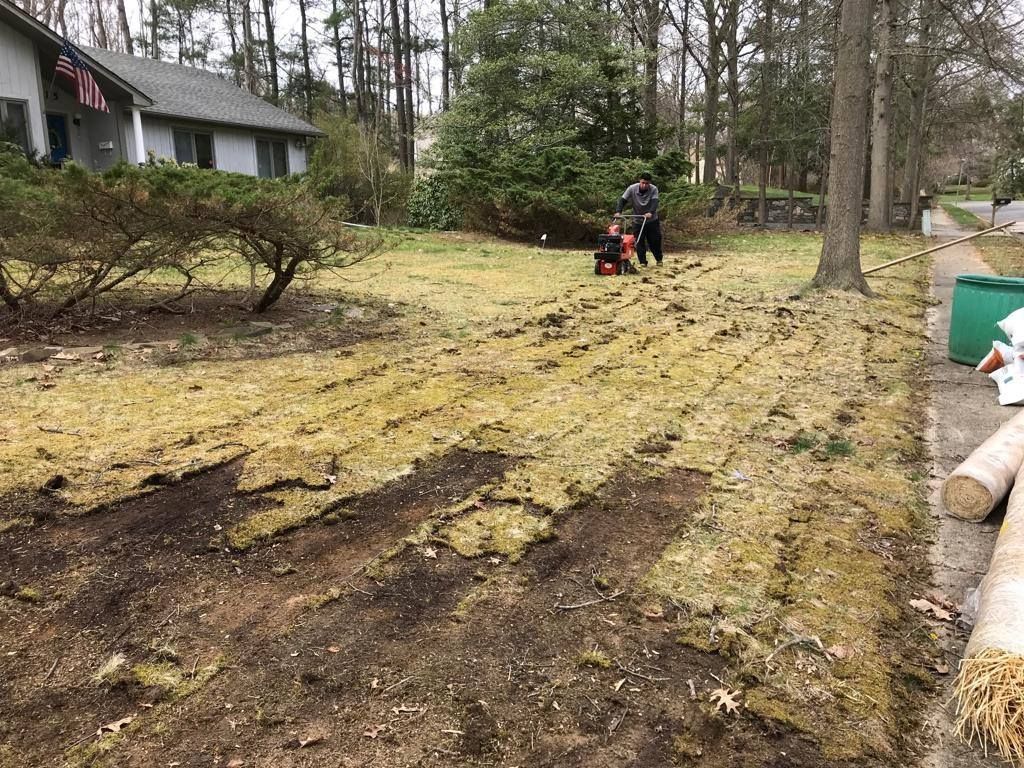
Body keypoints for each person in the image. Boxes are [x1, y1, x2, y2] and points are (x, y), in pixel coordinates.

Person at [614, 172, 663, 266]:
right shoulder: (632, 188)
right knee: (639, 241)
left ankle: (659, 259)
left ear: (650, 183)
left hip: (651, 220)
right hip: (638, 220)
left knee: (655, 241)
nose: (644, 185)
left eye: (647, 183)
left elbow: (655, 202)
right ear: (639, 181)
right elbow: (623, 200)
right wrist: (618, 211)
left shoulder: (653, 189)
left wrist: (650, 212)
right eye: (643, 183)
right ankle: (643, 262)